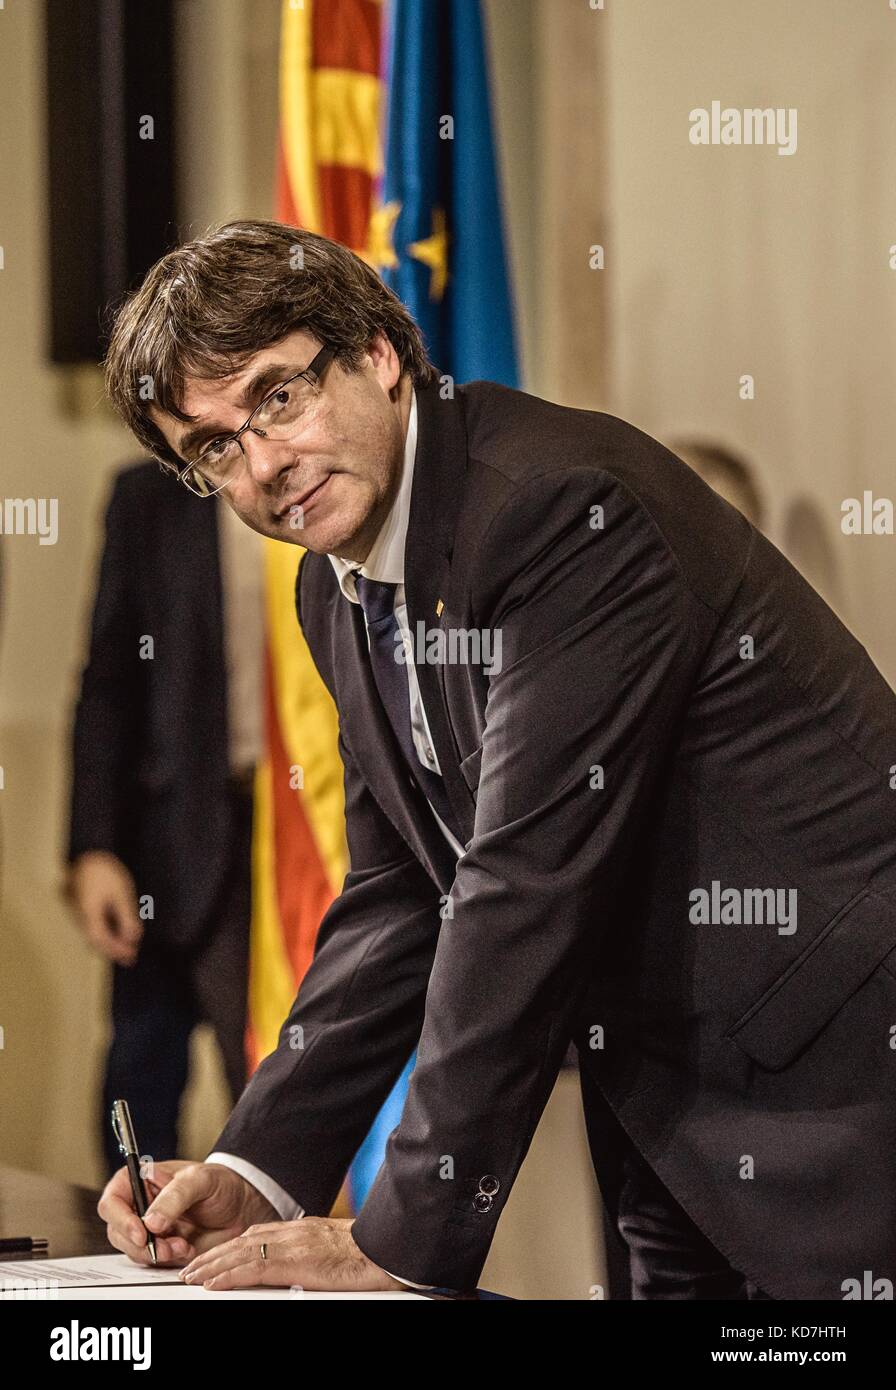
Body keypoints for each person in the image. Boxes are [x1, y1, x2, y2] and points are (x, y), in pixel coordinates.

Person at [98, 220, 896, 1299]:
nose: (262, 464)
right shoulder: (330, 588)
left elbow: (520, 888)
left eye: (278, 397)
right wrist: (260, 1166)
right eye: (214, 447)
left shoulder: (560, 507)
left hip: (844, 1090)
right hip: (677, 1121)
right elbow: (398, 896)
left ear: (378, 352)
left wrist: (397, 1238)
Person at [66, 460, 264, 1174]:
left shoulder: (319, 491)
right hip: (168, 840)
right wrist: (92, 848)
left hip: (305, 841)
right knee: (140, 1089)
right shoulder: (149, 495)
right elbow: (108, 680)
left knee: (280, 1089)